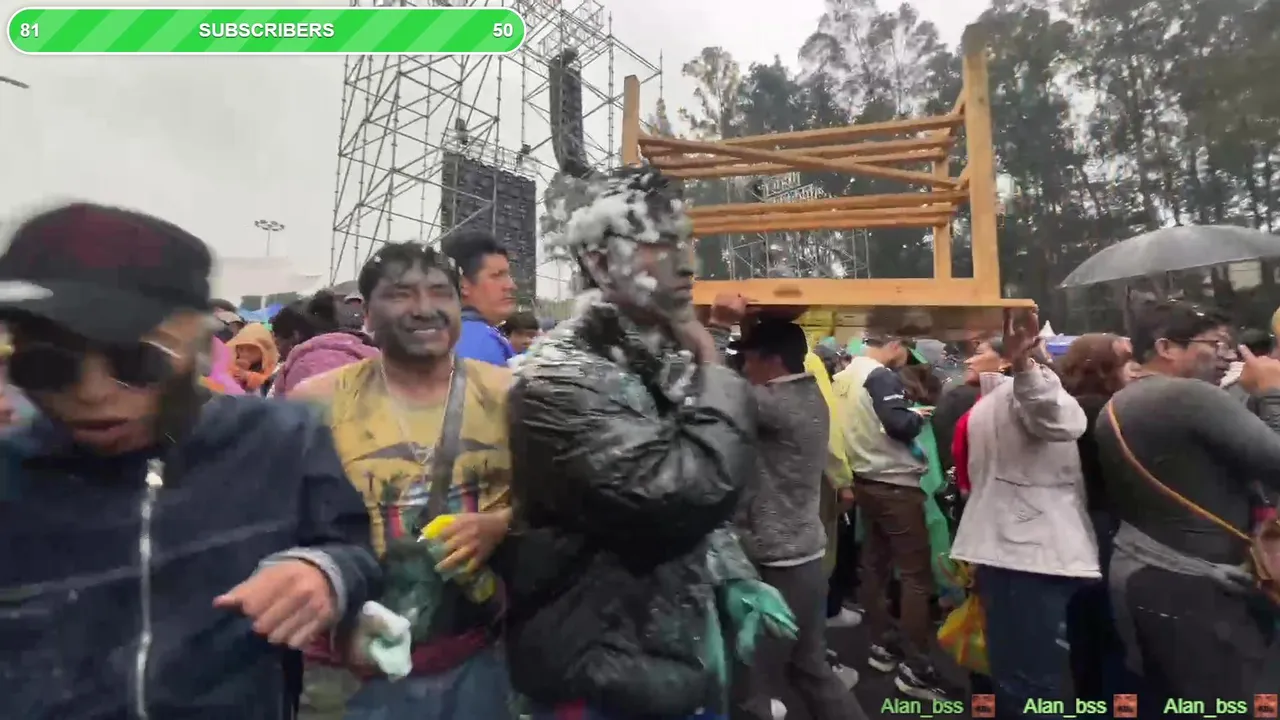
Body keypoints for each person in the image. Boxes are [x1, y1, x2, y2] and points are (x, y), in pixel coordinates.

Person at [0, 202, 381, 718]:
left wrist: (323, 572)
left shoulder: (281, 441)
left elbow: (354, 548)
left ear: (198, 347)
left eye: (135, 360)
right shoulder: (11, 474)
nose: (92, 393)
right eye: (49, 365)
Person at [500, 167, 796, 720]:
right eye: (662, 243)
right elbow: (680, 494)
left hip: (671, 659)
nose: (687, 263)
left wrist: (729, 573)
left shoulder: (654, 356)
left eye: (688, 242)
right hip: (599, 677)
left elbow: (697, 493)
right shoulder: (558, 377)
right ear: (600, 262)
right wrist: (712, 360)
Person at [291, 242, 517, 720]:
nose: (424, 308)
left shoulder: (507, 395)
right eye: (401, 294)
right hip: (347, 676)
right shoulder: (317, 402)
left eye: (440, 292)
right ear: (368, 314)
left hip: (476, 659)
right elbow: (277, 523)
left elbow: (561, 502)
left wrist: (500, 524)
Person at [1097, 301, 1280, 701]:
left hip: (1149, 575)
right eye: (1214, 344)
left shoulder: (1122, 401)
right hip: (1196, 589)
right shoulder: (1187, 396)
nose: (1227, 356)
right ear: (1165, 347)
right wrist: (1272, 393)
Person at [708, 314, 865, 720]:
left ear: (771, 360)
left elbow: (708, 390)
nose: (744, 368)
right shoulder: (809, 394)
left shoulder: (771, 404)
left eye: (748, 359)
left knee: (747, 681)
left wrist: (718, 327)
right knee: (808, 668)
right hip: (804, 553)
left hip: (774, 561)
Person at [951, 310, 1095, 719]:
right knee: (1013, 675)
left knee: (1028, 684)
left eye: (979, 348)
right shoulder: (992, 398)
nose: (968, 357)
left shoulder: (1031, 390)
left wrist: (1025, 365)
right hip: (1009, 554)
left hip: (1026, 558)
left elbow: (1057, 418)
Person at [833, 332, 949, 699]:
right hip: (896, 485)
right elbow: (900, 426)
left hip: (865, 480)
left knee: (875, 565)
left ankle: (882, 645)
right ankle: (917, 667)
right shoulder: (880, 376)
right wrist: (917, 414)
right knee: (915, 576)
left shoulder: (843, 376)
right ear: (894, 345)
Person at [1056, 333, 1134, 703]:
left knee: (1081, 624)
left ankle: (1088, 699)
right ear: (1106, 367)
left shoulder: (1063, 406)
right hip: (1106, 520)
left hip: (1069, 519)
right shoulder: (1110, 411)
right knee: (1112, 626)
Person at [271, 292, 378, 399]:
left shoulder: (306, 367)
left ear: (295, 336)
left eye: (278, 342)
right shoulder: (365, 352)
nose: (276, 348)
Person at [442, 230, 517, 367]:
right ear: (463, 284)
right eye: (497, 275)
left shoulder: (450, 333)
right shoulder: (477, 341)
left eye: (508, 276)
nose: (511, 285)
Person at [226, 323, 280, 394]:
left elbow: (268, 383)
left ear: (263, 350)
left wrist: (249, 376)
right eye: (241, 349)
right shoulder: (232, 362)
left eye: (251, 349)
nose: (244, 353)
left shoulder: (273, 368)